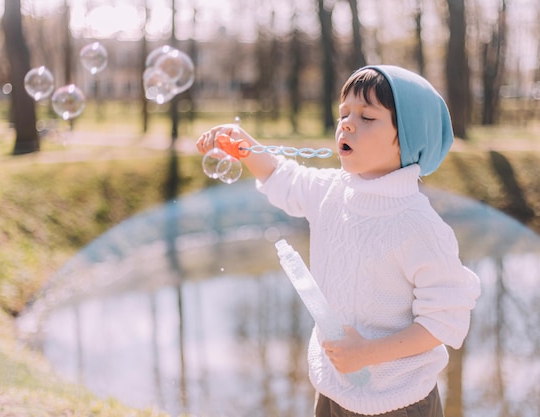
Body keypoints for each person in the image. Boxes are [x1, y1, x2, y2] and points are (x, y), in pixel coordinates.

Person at [196, 65, 481, 417]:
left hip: (400, 401)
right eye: (343, 114)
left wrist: (367, 354)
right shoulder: (330, 191)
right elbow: (282, 176)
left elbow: (445, 321)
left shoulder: (419, 225)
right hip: (333, 389)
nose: (346, 124)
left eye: (367, 117)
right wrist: (242, 144)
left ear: (407, 136)